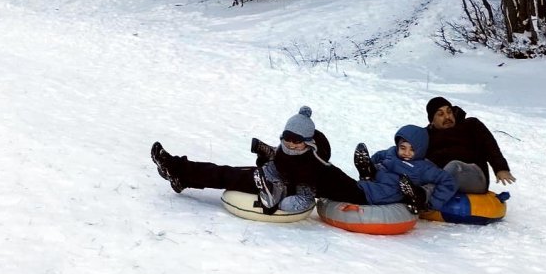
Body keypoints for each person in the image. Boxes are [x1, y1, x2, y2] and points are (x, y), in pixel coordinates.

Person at [151, 106, 378, 214]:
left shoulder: (311, 166)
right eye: (287, 139)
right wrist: (267, 161)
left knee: (230, 176)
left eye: (296, 141)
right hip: (276, 179)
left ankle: (177, 171)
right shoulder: (289, 152)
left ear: (308, 142)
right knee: (227, 173)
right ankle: (178, 171)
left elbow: (305, 198)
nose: (290, 144)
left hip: (284, 187)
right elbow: (283, 164)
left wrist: (280, 200)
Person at [352, 125, 458, 212]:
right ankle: (367, 170)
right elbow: (379, 155)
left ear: (420, 150)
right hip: (379, 177)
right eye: (403, 148)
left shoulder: (423, 167)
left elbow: (448, 181)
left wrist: (432, 203)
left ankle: (413, 196)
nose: (406, 153)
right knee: (377, 168)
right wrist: (371, 163)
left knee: (393, 187)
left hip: (394, 187)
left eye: (412, 149)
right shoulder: (392, 152)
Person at [423, 96, 516, 194]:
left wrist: (501, 168)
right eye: (440, 114)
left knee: (455, 167)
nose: (447, 117)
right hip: (443, 178)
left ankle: (424, 194)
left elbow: (490, 146)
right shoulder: (426, 135)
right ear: (432, 120)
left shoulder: (471, 125)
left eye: (449, 112)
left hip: (475, 177)